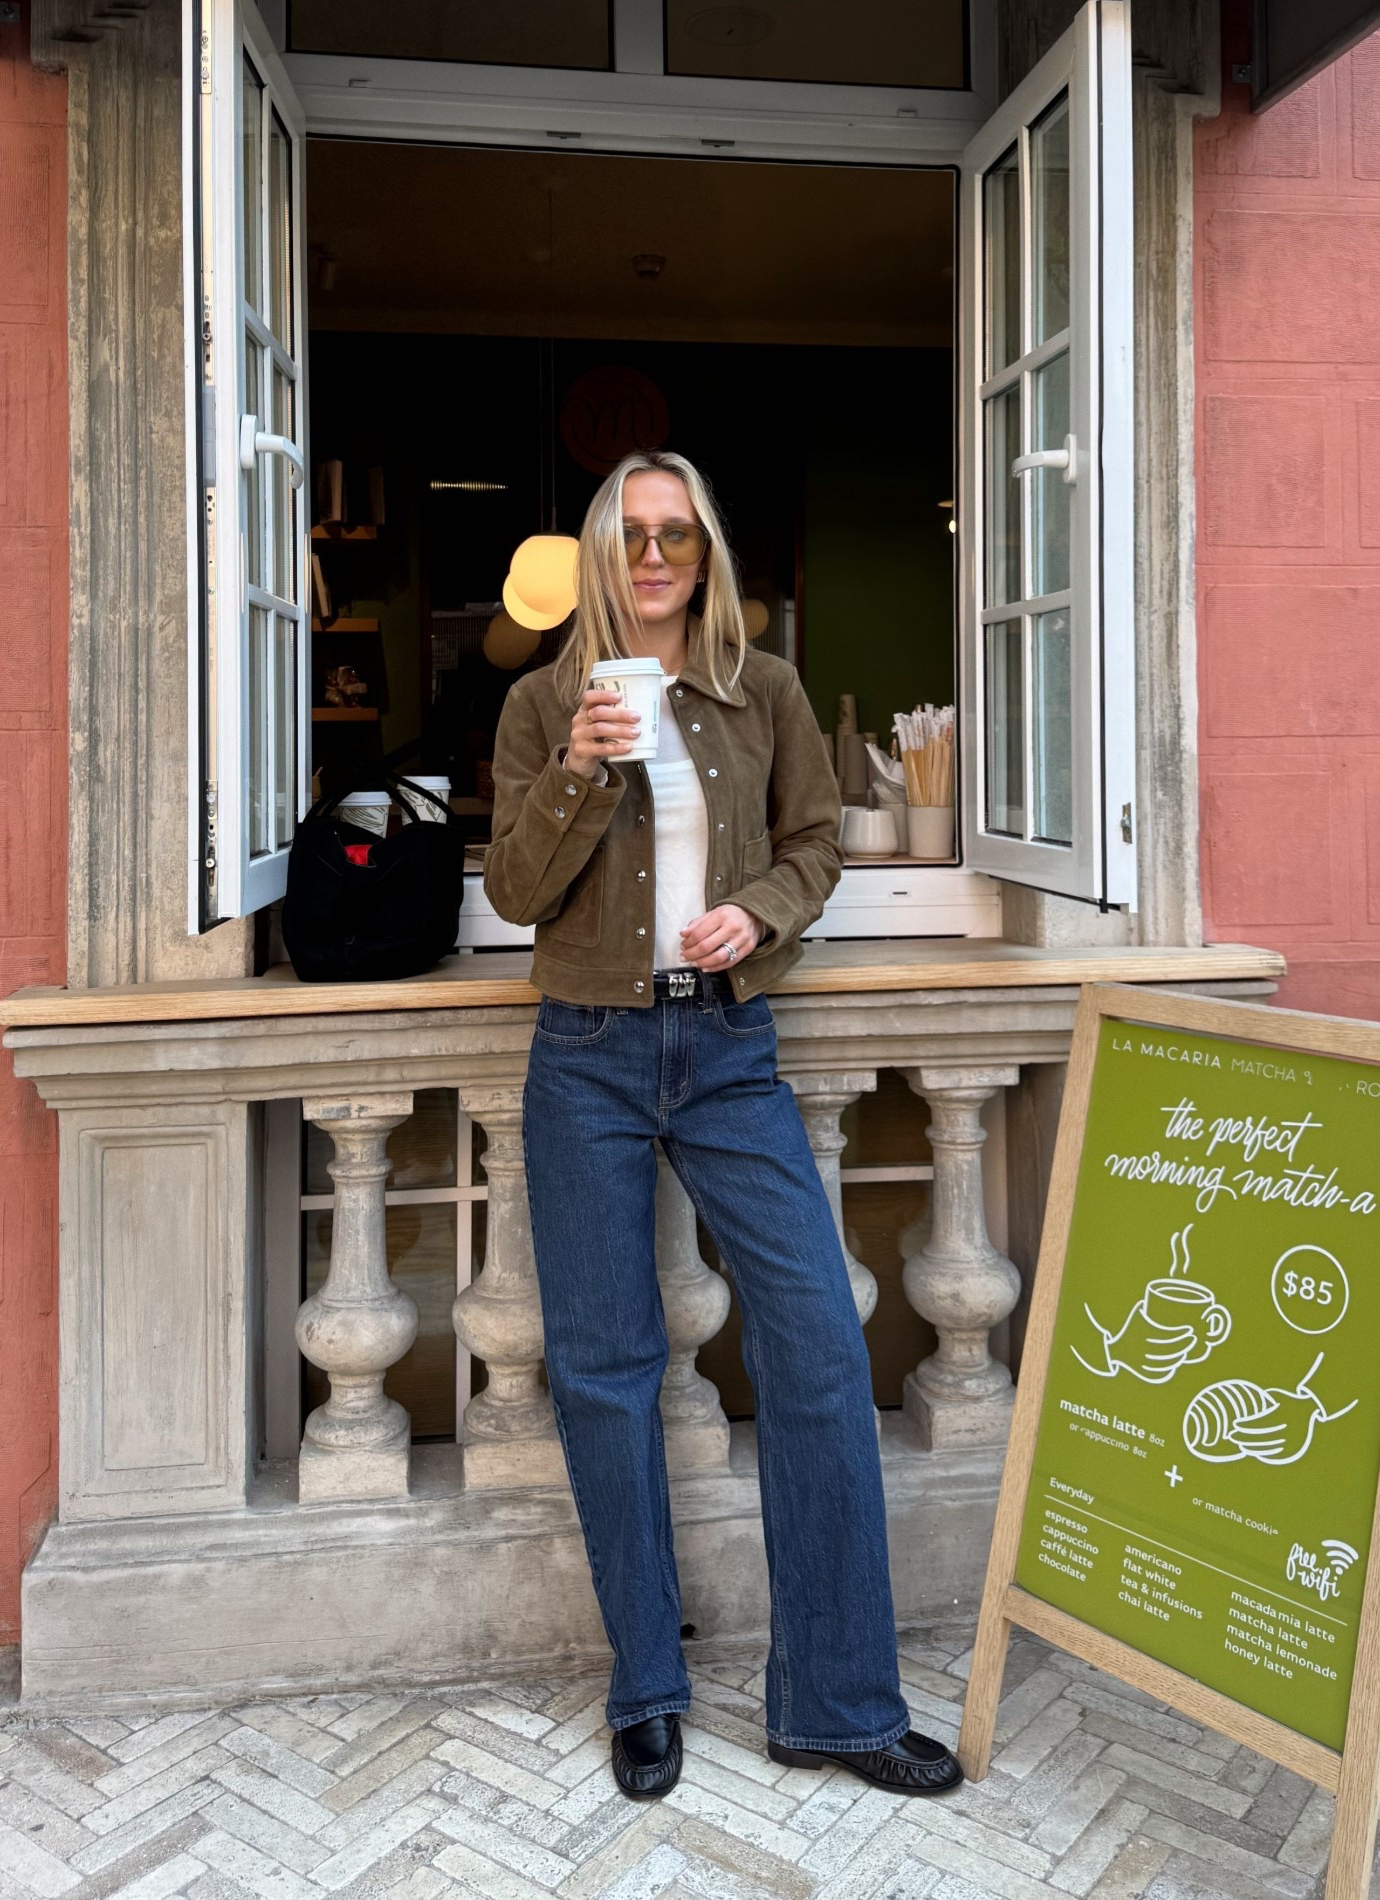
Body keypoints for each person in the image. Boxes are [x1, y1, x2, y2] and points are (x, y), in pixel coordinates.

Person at [483, 451, 961, 1804]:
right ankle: (646, 1687)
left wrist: (757, 914)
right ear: (598, 549)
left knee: (817, 1338)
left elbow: (817, 841)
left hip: (730, 1045)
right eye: (630, 535)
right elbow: (517, 890)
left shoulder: (768, 692)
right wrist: (579, 765)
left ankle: (839, 1703)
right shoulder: (539, 704)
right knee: (605, 1366)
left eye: (675, 536)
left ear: (705, 553)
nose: (652, 557)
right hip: (586, 1052)